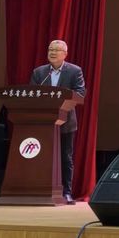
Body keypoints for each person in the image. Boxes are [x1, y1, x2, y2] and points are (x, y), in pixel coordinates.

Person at [29, 40, 85, 205]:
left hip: (65, 121)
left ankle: (66, 192)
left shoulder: (74, 71)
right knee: (42, 156)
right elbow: (32, 93)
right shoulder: (39, 72)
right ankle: (40, 190)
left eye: (56, 50)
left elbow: (80, 93)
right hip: (43, 122)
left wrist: (63, 101)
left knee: (65, 157)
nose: (52, 53)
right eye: (50, 49)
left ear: (65, 54)